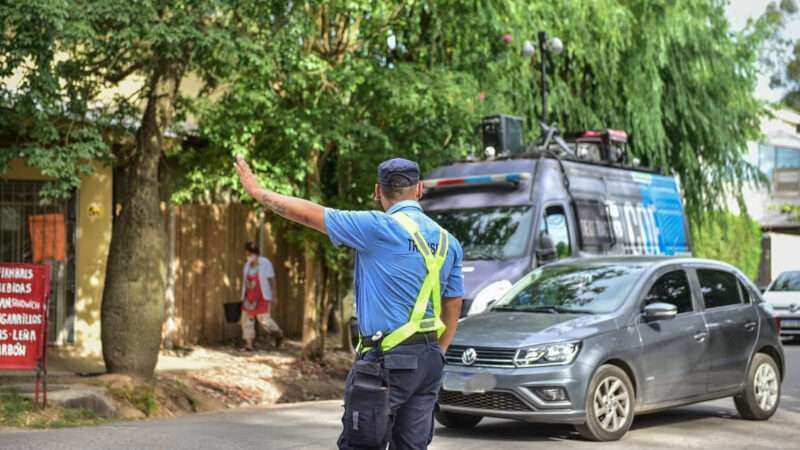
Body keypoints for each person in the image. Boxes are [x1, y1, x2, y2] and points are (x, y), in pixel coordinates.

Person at [235, 156, 463, 449]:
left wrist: (257, 192)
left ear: (377, 190)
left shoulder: (377, 227)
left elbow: (308, 214)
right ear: (419, 189)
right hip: (429, 360)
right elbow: (453, 305)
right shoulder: (448, 241)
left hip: (387, 361)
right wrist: (438, 352)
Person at [240, 241, 283, 351]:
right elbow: (246, 282)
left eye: (250, 254)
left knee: (264, 321)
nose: (248, 257)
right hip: (249, 297)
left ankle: (278, 334)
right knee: (246, 320)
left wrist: (274, 296)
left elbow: (272, 280)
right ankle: (248, 344)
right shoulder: (247, 265)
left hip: (262, 296)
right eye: (247, 254)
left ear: (256, 254)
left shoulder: (265, 263)